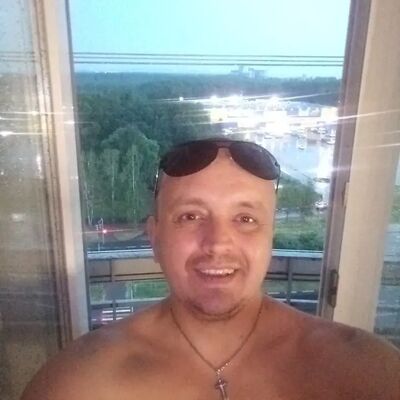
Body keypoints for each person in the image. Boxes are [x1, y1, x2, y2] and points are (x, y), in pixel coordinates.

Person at [22, 138, 399, 400]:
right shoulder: (80, 383)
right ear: (155, 238)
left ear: (269, 238)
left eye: (245, 219)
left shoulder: (363, 371)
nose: (218, 243)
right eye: (190, 216)